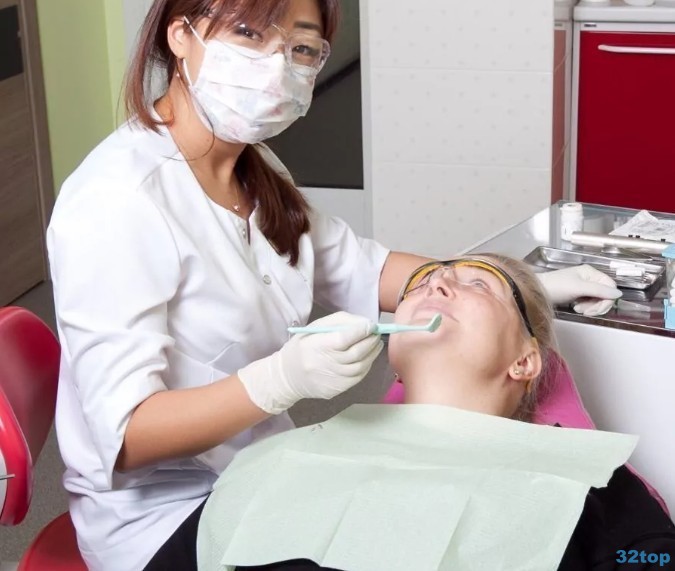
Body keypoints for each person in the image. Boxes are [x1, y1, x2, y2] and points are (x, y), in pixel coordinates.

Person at [45, 1, 622, 570]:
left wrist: (519, 286)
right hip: (165, 517)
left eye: (299, 48)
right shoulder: (117, 201)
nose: (275, 65)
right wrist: (279, 380)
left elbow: (366, 269)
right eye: (249, 33)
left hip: (261, 471)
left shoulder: (256, 172)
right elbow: (126, 437)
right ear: (179, 35)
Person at [197, 255, 675, 571]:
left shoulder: (588, 482)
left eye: (478, 284)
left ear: (526, 361)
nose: (438, 280)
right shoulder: (281, 461)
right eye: (422, 282)